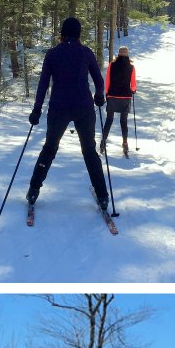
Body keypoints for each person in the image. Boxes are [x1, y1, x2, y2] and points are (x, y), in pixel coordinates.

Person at [26, 17, 109, 211]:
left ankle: (33, 190)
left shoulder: (53, 54)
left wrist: (37, 109)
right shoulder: (86, 53)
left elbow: (43, 84)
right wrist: (99, 96)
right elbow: (99, 81)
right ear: (78, 34)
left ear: (62, 33)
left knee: (49, 148)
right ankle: (103, 196)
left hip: (59, 107)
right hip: (83, 107)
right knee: (89, 151)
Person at [102, 46, 136, 155]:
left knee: (109, 120)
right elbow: (133, 84)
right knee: (123, 121)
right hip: (125, 97)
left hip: (112, 95)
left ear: (119, 54)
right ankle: (125, 143)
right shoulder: (131, 67)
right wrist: (133, 90)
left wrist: (107, 93)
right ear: (127, 54)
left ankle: (103, 141)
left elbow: (107, 80)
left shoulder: (112, 65)